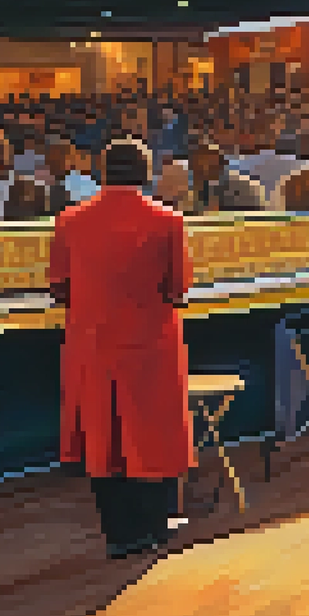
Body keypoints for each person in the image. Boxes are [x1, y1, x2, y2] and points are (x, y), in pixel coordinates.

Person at [50, 139, 193, 560]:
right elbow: (178, 289)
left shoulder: (70, 220)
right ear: (146, 173)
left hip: (92, 344)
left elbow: (59, 286)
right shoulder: (167, 220)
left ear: (102, 172)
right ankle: (154, 527)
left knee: (102, 436)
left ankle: (118, 535)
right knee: (152, 432)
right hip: (150, 343)